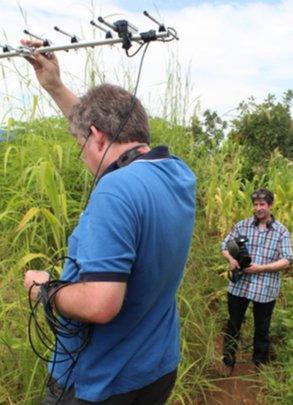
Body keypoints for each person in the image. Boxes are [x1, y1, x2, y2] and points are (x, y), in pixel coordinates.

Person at [23, 41, 196, 404]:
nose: (83, 154)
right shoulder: (177, 173)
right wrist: (55, 86)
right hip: (155, 369)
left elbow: (101, 304)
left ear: (98, 137)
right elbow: (106, 138)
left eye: (82, 144)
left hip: (99, 382)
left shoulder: (115, 190)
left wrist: (45, 290)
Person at [221, 188, 293, 374]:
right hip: (239, 285)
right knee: (233, 323)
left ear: (270, 206)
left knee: (262, 328)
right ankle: (228, 361)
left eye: (262, 204)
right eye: (255, 204)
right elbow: (225, 245)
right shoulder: (242, 226)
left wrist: (261, 268)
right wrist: (231, 259)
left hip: (266, 288)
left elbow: (287, 259)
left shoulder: (281, 232)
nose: (258, 208)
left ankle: (258, 365)